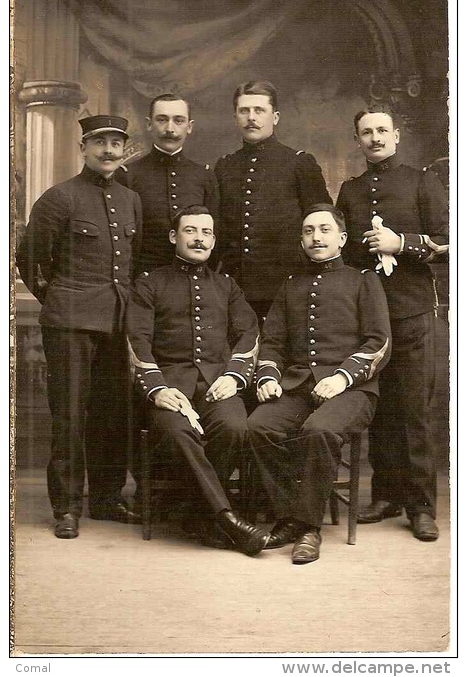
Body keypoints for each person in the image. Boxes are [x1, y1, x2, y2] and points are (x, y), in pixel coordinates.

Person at [16, 115, 143, 539]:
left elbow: (132, 261)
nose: (109, 150)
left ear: (124, 149)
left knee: (112, 414)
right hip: (70, 322)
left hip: (117, 322)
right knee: (69, 413)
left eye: (116, 143)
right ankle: (67, 507)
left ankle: (106, 499)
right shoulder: (59, 198)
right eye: (100, 143)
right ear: (83, 148)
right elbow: (31, 259)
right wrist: (59, 300)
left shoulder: (130, 200)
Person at [247, 204, 391, 564]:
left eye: (325, 230)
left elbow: (378, 342)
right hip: (298, 386)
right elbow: (274, 342)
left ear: (341, 238)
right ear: (301, 239)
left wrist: (342, 377)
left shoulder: (363, 281)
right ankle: (288, 516)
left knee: (319, 430)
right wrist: (268, 377)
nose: (316, 237)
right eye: (309, 231)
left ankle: (308, 528)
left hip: (353, 390)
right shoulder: (291, 285)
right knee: (257, 426)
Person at [126, 205, 270, 556]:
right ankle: (223, 518)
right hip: (170, 387)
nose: (199, 238)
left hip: (218, 383)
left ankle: (197, 513)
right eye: (191, 231)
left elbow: (249, 332)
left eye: (206, 233)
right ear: (175, 237)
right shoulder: (150, 283)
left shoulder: (227, 285)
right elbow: (136, 339)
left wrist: (235, 376)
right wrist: (157, 388)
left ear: (214, 240)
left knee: (236, 428)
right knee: (177, 432)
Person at [336, 107, 449, 541]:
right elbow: (344, 251)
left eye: (382, 130)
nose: (375, 138)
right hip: (369, 315)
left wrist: (401, 243)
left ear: (396, 136)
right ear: (358, 139)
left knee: (415, 407)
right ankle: (384, 494)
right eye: (366, 132)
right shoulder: (351, 190)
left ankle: (420, 506)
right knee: (379, 405)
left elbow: (449, 239)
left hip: (414, 310)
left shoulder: (423, 181)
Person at [214, 80, 331, 321]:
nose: (251, 118)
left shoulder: (299, 163)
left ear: (275, 117)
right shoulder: (225, 166)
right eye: (244, 111)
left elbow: (324, 223)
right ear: (235, 117)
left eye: (259, 110)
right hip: (235, 289)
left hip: (287, 288)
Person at [117, 93, 219, 274]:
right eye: (162, 120)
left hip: (193, 278)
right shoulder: (128, 174)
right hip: (143, 277)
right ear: (149, 124)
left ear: (190, 126)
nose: (170, 128)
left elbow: (215, 231)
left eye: (178, 121)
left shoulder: (204, 175)